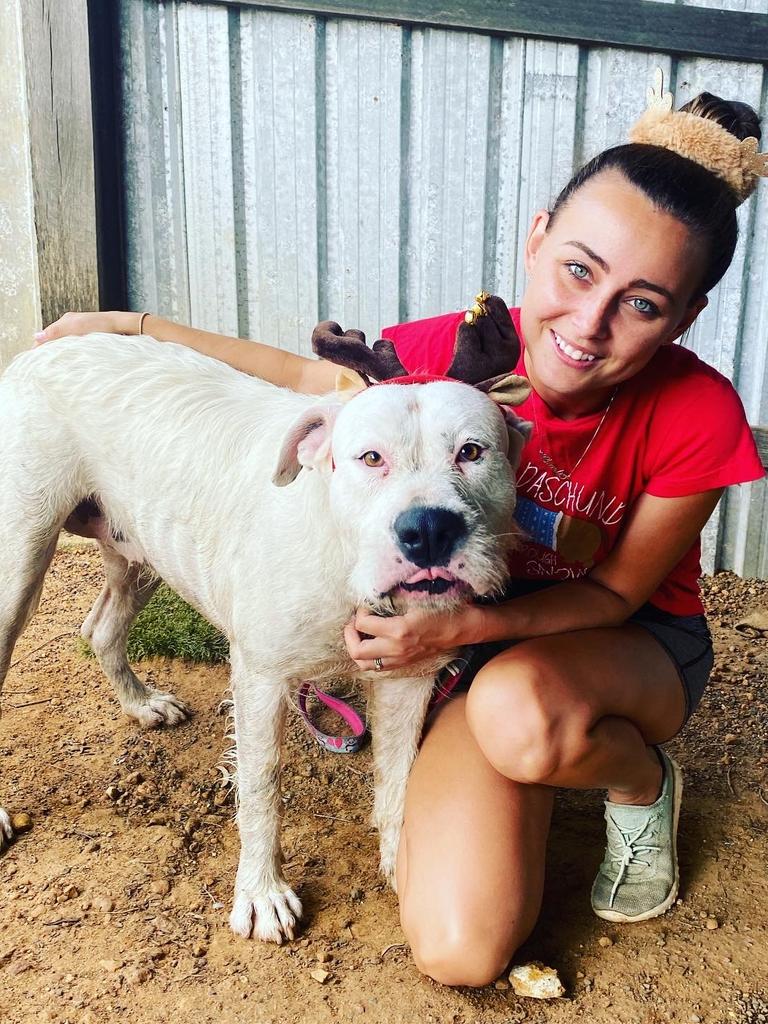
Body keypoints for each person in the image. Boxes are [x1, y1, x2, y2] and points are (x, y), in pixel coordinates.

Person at [38, 78, 766, 987]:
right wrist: (127, 323)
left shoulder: (697, 412)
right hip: (469, 654)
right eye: (579, 270)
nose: (590, 323)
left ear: (687, 317)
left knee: (521, 712)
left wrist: (459, 631)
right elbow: (305, 379)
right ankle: (511, 761)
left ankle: (637, 782)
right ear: (536, 240)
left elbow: (617, 591)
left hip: (620, 645)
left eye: (644, 303)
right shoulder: (453, 357)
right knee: (461, 948)